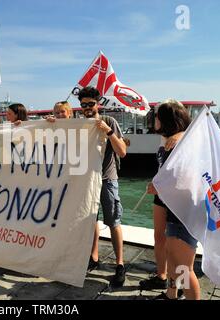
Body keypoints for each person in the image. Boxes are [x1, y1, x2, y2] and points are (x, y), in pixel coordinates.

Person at [147, 99, 200, 300]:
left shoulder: (182, 144)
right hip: (173, 211)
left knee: (184, 268)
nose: (155, 120)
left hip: (183, 212)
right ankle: (171, 294)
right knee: (173, 258)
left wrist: (159, 188)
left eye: (158, 117)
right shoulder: (170, 140)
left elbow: (186, 181)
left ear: (168, 120)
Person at [78, 86, 127, 287]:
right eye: (83, 105)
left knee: (113, 221)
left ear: (98, 103)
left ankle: (120, 264)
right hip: (85, 181)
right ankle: (94, 257)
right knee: (90, 220)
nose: (87, 108)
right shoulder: (78, 124)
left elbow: (122, 151)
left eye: (90, 104)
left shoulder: (109, 122)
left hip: (107, 179)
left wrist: (108, 133)